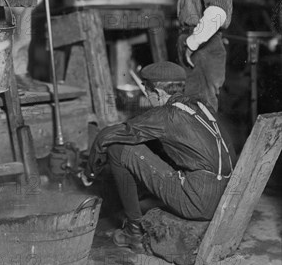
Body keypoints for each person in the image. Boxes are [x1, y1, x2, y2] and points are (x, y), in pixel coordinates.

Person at [79, 61, 235, 253]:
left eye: (148, 94)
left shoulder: (166, 114)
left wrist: (90, 172)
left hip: (197, 202)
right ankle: (140, 194)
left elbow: (107, 135)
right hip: (224, 195)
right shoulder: (202, 106)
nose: (148, 99)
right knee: (153, 144)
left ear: (160, 93)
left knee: (118, 148)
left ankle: (133, 233)